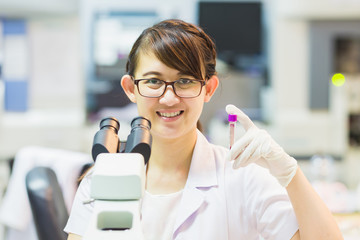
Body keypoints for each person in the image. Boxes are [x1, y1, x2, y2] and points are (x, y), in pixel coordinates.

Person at [65, 19, 343, 240]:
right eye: (153, 81)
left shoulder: (242, 178)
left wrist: (290, 173)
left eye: (185, 81)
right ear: (130, 88)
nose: (169, 98)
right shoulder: (101, 182)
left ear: (208, 88)